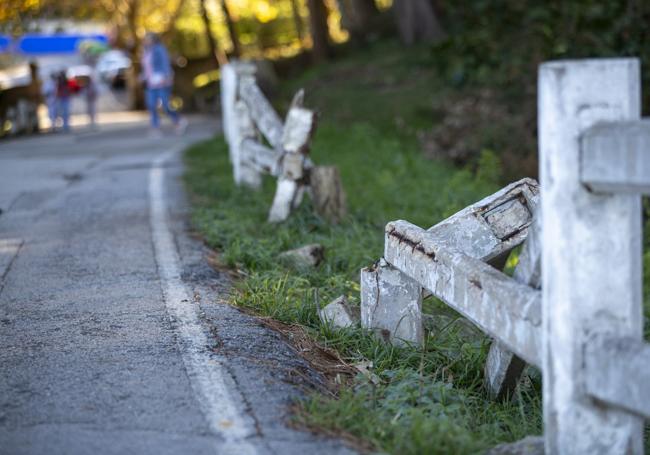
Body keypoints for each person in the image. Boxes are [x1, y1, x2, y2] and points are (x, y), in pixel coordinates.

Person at [141, 33, 187, 136]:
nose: (146, 41)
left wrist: (165, 76)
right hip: (150, 83)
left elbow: (165, 63)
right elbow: (147, 68)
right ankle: (155, 128)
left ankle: (178, 121)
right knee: (151, 105)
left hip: (162, 82)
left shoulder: (159, 49)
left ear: (154, 39)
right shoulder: (146, 51)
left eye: (148, 39)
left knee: (166, 105)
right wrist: (143, 77)